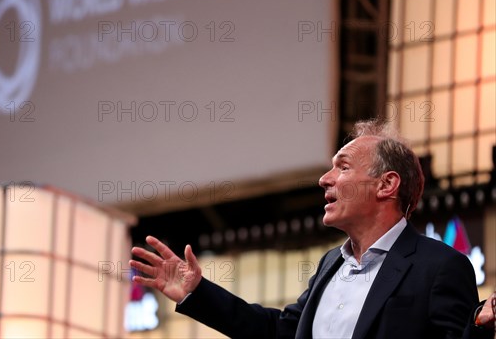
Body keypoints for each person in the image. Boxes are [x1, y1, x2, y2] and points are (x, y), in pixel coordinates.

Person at [130, 119, 496, 338]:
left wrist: (479, 323)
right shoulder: (329, 266)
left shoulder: (439, 267)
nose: (325, 179)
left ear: (386, 185)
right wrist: (198, 293)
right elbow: (279, 332)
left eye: (343, 167)